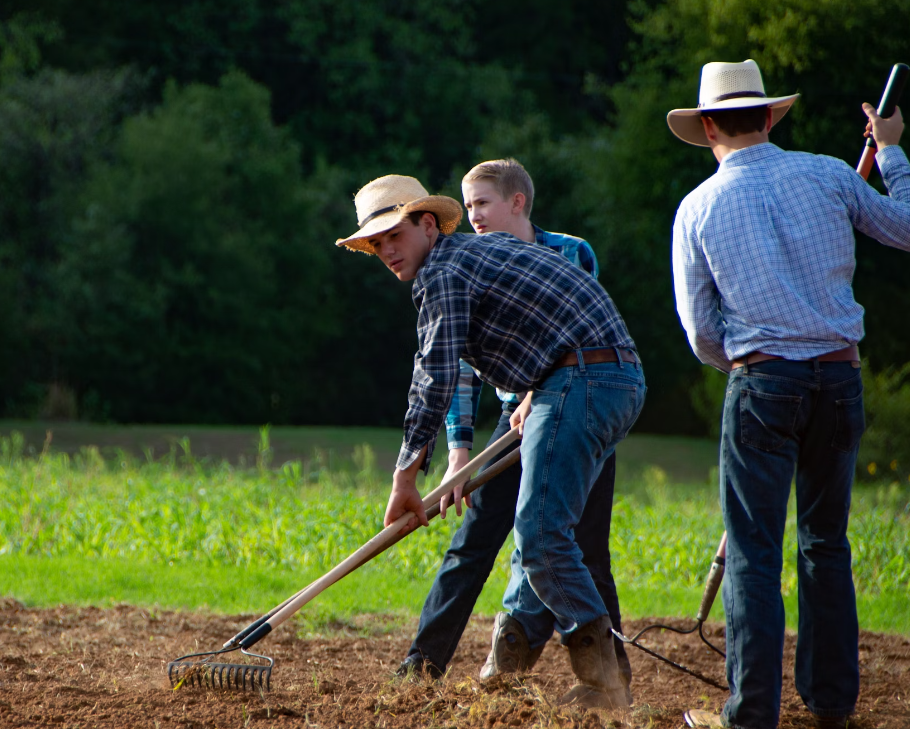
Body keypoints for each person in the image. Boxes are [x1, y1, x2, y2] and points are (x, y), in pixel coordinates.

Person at [335, 173, 645, 709]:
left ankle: (605, 682)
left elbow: (433, 373)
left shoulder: (444, 272)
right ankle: (507, 672)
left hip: (581, 379)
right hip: (600, 378)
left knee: (543, 534)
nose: (386, 250)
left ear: (427, 225)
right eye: (376, 242)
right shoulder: (472, 255)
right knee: (542, 530)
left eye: (394, 235)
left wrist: (404, 476)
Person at [667, 59, 910, 729]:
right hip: (838, 376)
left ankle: (751, 715)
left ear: (708, 125)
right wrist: (891, 152)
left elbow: (701, 330)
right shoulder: (831, 173)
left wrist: (747, 367)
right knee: (825, 542)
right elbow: (907, 227)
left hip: (762, 380)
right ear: (770, 115)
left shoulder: (698, 208)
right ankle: (831, 700)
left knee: (754, 552)